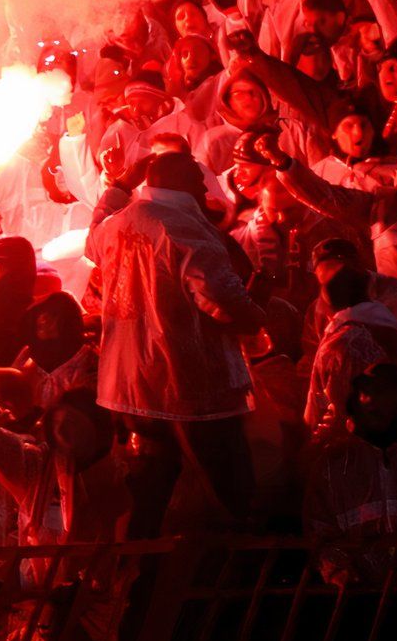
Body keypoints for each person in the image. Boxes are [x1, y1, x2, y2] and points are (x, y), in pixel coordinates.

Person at [86, 153, 264, 536]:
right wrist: (255, 314)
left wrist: (117, 188)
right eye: (198, 181)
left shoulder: (118, 223)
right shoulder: (185, 227)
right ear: (180, 181)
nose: (204, 189)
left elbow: (93, 235)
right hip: (188, 384)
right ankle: (239, 575)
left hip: (129, 386)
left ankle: (137, 577)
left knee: (149, 489)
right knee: (229, 488)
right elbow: (219, 295)